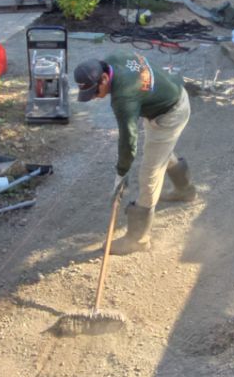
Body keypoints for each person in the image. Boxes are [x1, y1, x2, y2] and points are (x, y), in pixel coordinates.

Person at [74, 51, 195, 253]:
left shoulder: (123, 97)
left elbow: (128, 141)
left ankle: (138, 240)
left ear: (104, 78)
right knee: (160, 152)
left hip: (170, 113)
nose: (95, 97)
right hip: (167, 97)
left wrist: (121, 173)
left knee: (150, 172)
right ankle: (185, 190)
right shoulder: (113, 59)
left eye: (95, 92)